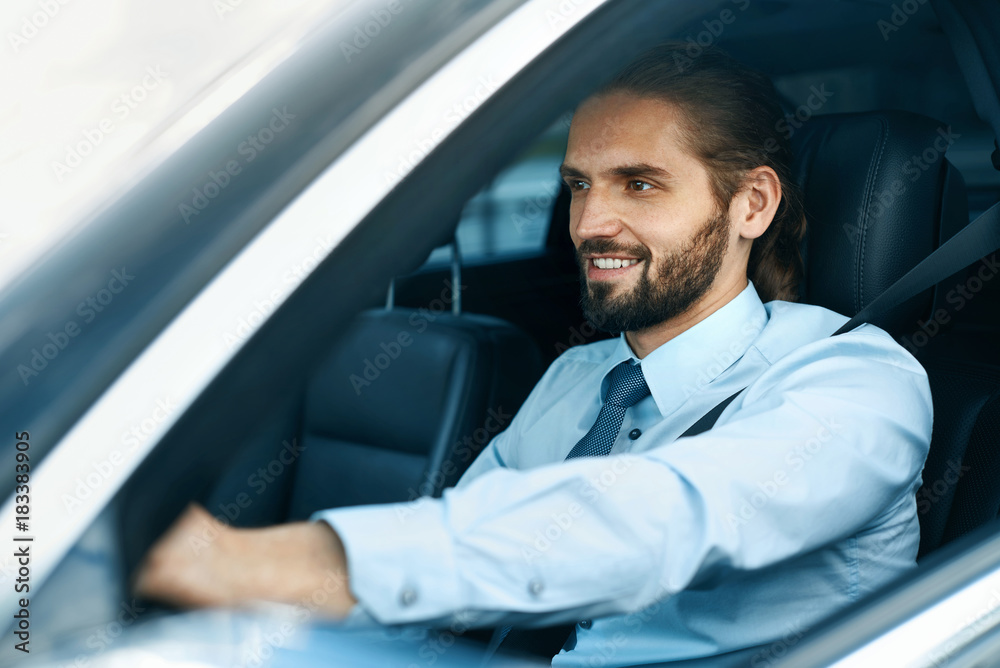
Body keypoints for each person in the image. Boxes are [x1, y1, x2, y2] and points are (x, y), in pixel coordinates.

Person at [135, 43, 932, 666]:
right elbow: (468, 556)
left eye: (639, 185)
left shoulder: (857, 384)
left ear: (751, 203)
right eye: (580, 184)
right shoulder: (579, 379)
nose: (590, 223)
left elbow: (657, 519)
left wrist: (253, 562)